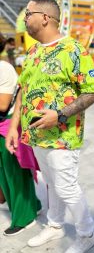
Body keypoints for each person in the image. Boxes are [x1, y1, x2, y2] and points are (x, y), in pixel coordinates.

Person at [6, 0, 94, 253]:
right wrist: (14, 128)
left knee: (67, 186)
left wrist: (59, 115)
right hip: (36, 136)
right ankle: (56, 225)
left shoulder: (73, 50)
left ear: (45, 18)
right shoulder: (34, 52)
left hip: (62, 137)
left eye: (28, 14)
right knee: (51, 184)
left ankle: (86, 234)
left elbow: (93, 92)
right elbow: (24, 91)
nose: (24, 18)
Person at [0, 33, 41, 236]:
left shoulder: (4, 68)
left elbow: (3, 104)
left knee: (15, 173)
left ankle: (25, 217)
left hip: (7, 126)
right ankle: (34, 203)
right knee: (6, 173)